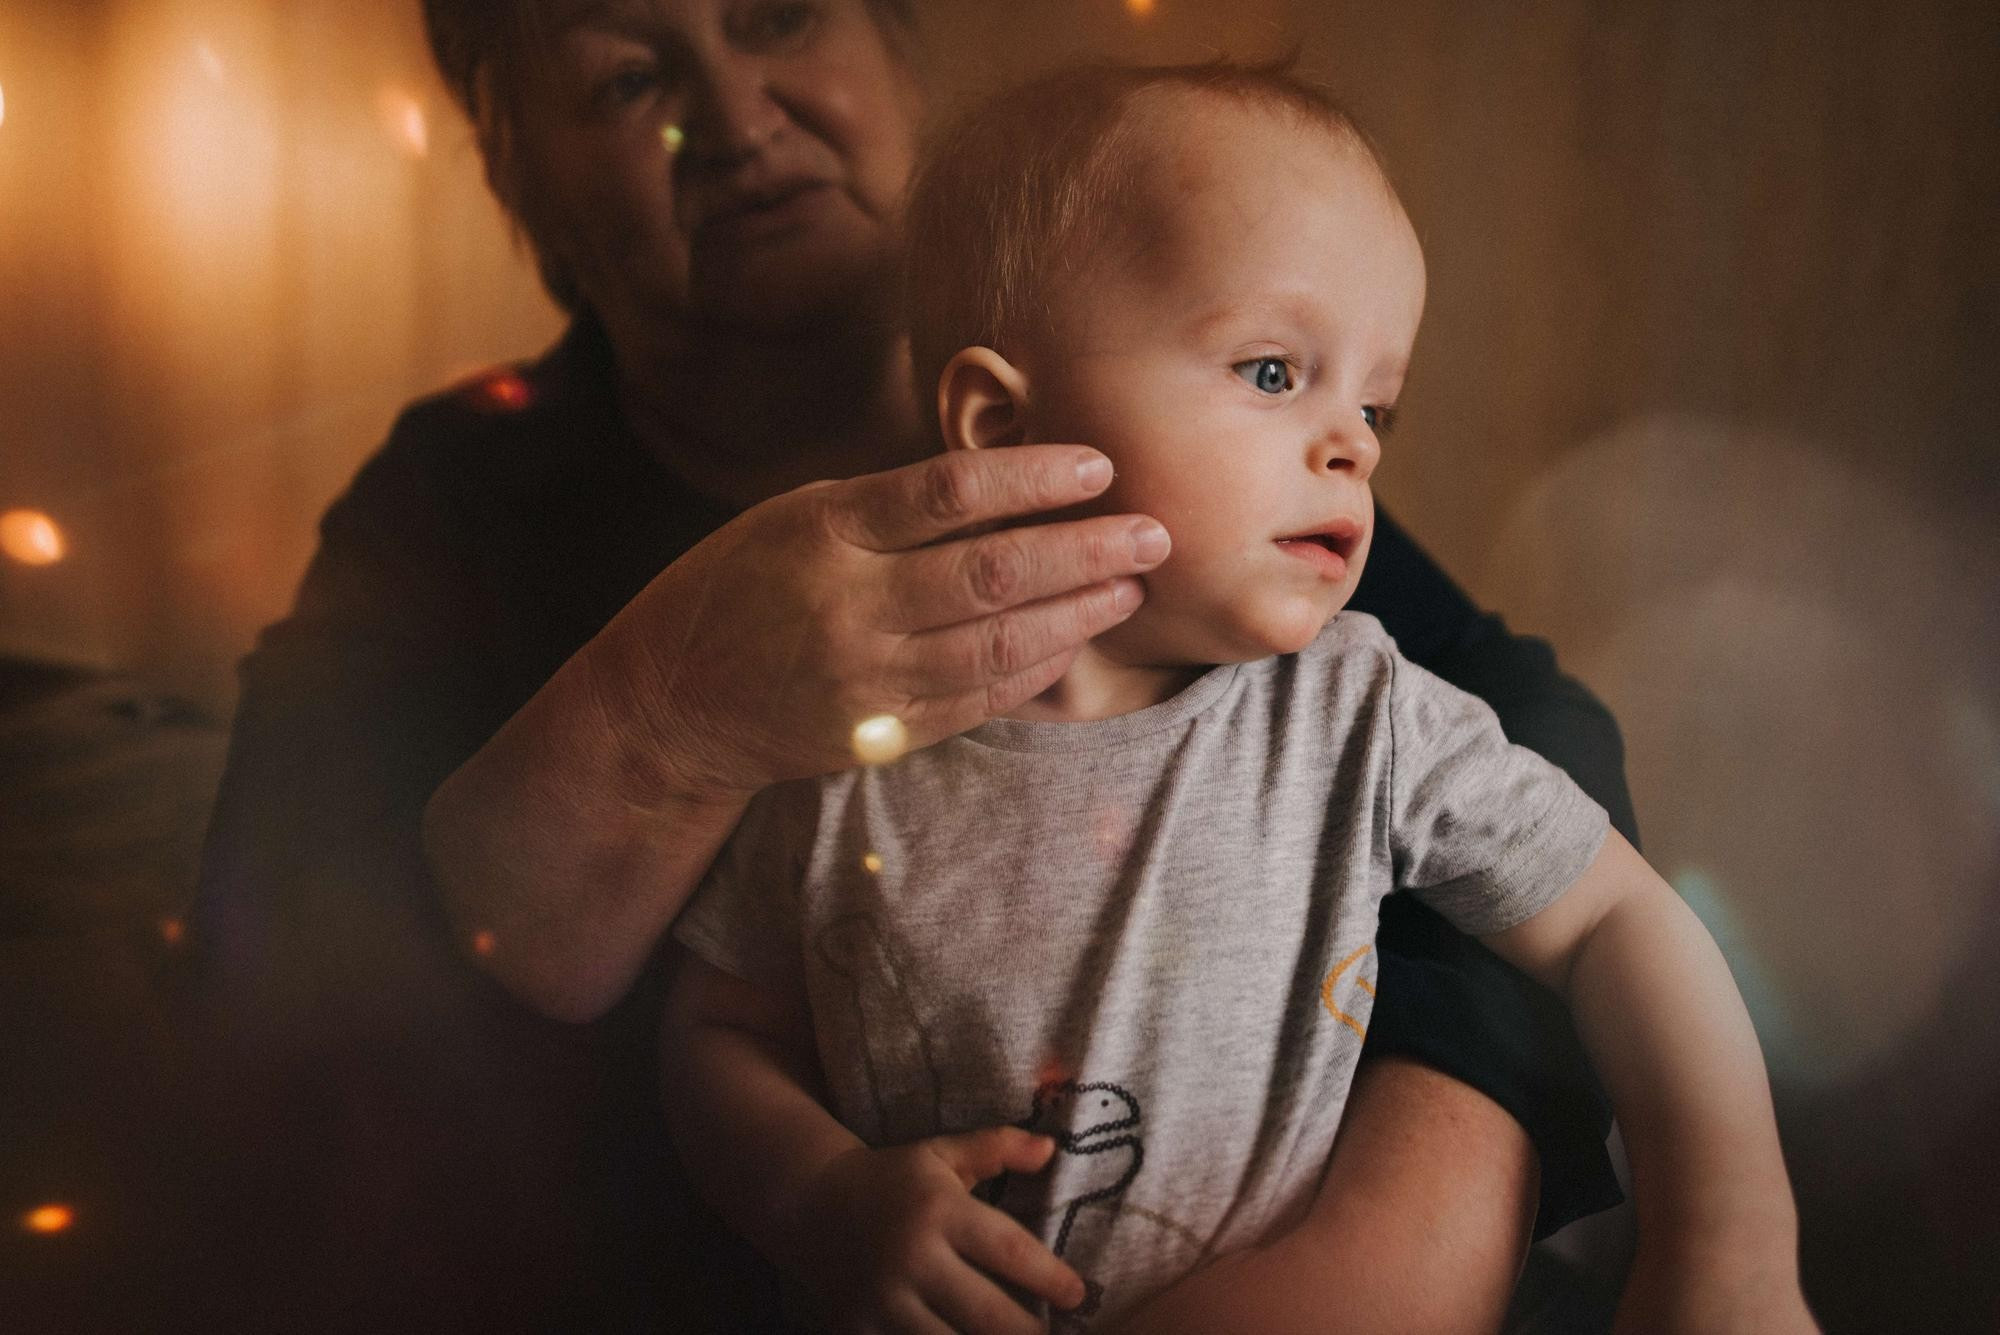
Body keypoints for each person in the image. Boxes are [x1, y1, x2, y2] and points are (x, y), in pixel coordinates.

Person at [196, 1, 1636, 1328]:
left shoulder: (1178, 446)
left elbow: (1527, 744)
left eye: (778, 13)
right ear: (518, 170)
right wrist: (665, 711)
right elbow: (285, 939)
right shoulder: (459, 499)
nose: (741, 117)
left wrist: (1418, 1212)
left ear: (900, 55)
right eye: (629, 77)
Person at [659, 60, 1813, 1334]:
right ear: (998, 427)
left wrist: (1728, 1253)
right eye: (1272, 373)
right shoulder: (844, 743)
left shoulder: (1358, 718)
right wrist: (821, 1197)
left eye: (1374, 402)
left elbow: (1619, 929)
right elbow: (720, 1036)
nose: (1354, 446)